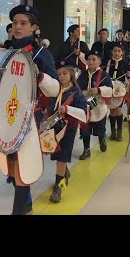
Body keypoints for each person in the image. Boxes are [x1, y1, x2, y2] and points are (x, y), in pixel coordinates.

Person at [5, 4, 59, 215]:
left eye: (23, 24)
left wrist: (40, 76)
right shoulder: (7, 50)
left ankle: (19, 210)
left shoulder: (41, 54)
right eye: (15, 23)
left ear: (34, 27)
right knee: (10, 164)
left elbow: (55, 88)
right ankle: (26, 203)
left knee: (21, 164)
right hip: (8, 115)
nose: (17, 27)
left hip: (30, 117)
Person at [47, 63, 87, 203]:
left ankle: (58, 187)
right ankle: (64, 171)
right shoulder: (54, 90)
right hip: (53, 127)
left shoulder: (76, 93)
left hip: (68, 128)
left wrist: (67, 110)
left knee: (61, 156)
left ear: (71, 75)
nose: (61, 76)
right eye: (59, 74)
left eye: (64, 73)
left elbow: (83, 112)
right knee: (57, 154)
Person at [76, 50, 113, 158]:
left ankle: (102, 139)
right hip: (85, 107)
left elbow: (110, 89)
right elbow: (77, 88)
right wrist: (83, 92)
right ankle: (86, 149)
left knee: (100, 129)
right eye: (89, 59)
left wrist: (99, 90)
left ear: (99, 62)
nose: (91, 62)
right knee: (85, 129)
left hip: (99, 106)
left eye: (93, 59)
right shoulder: (82, 74)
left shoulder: (104, 75)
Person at [105, 43, 130, 141]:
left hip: (120, 90)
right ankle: (113, 132)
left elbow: (129, 76)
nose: (117, 53)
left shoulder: (125, 63)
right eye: (115, 51)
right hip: (109, 88)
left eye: (119, 51)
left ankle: (119, 132)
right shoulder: (108, 62)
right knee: (111, 110)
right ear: (112, 52)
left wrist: (129, 75)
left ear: (122, 53)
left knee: (118, 110)